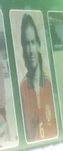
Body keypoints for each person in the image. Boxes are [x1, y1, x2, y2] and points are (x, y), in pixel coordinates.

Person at [17, 12, 57, 141]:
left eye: (33, 42)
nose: (30, 50)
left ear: (38, 45)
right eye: (27, 44)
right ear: (23, 49)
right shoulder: (22, 89)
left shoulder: (50, 86)